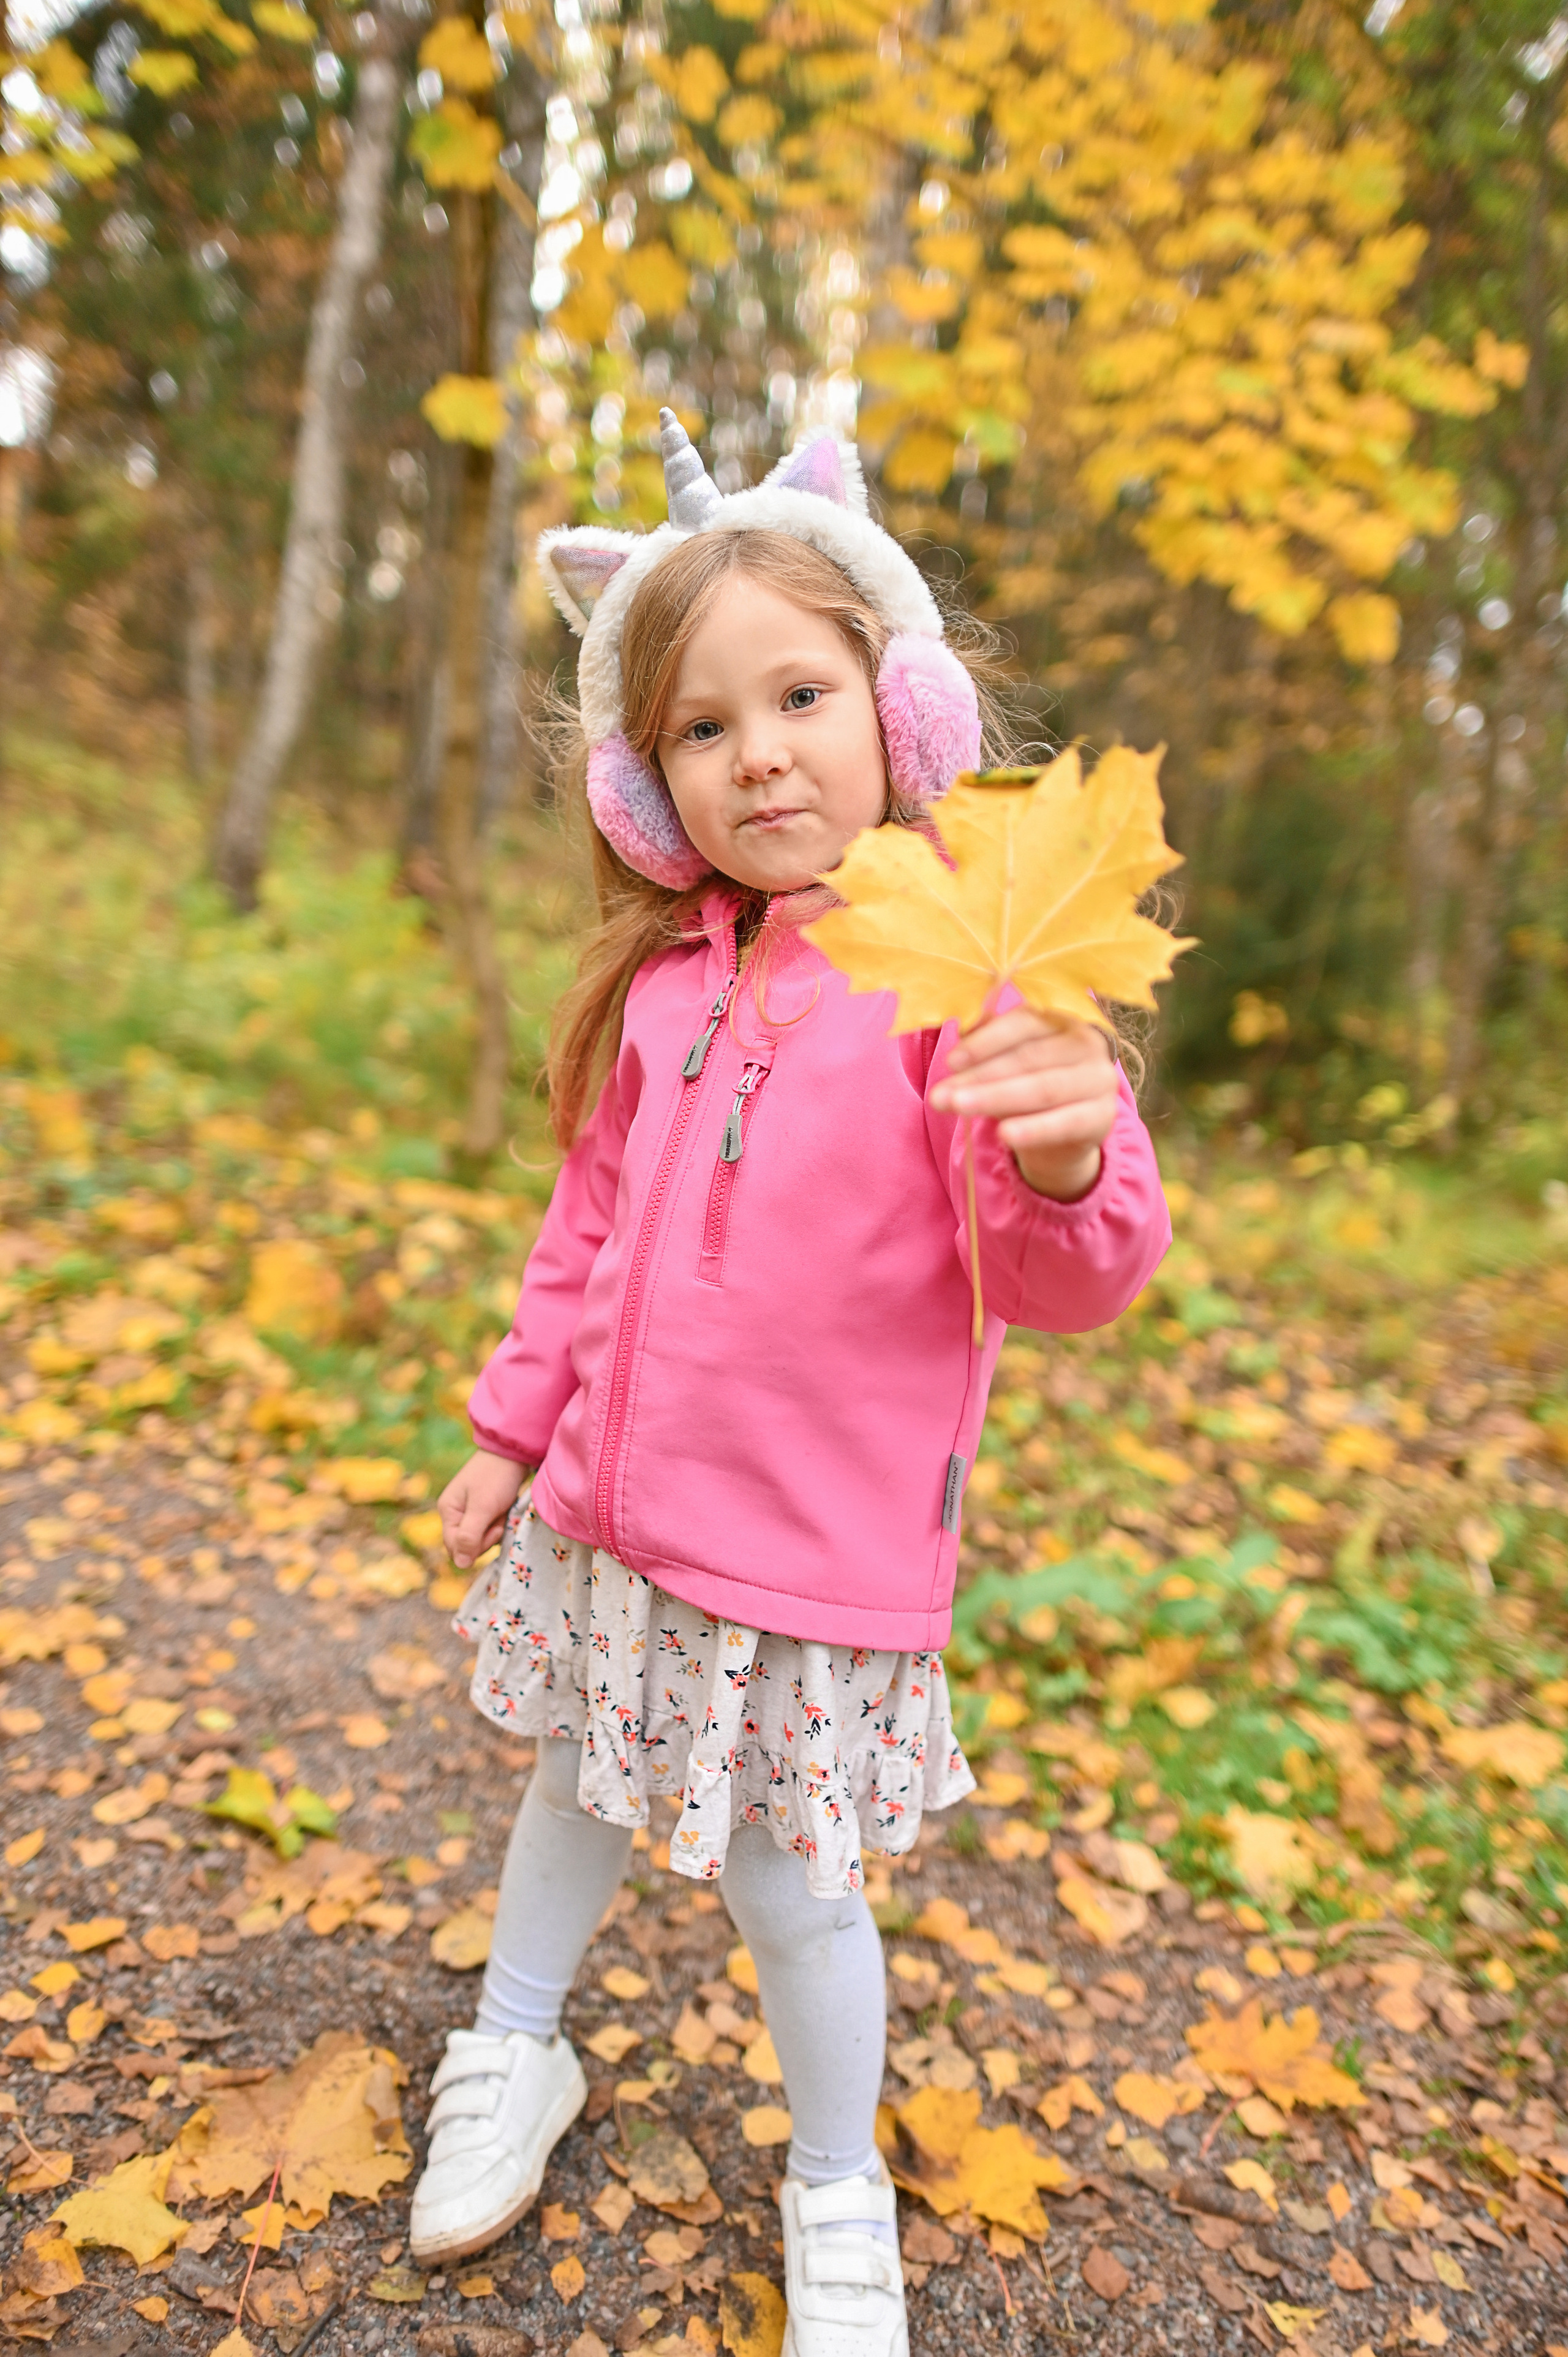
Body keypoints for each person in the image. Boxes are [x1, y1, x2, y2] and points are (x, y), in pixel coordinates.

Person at [408, 412, 1171, 2357]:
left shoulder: (964, 986)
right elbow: (585, 1232)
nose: (759, 753)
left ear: (901, 713)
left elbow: (1060, 1276)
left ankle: (836, 2184)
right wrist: (511, 1430)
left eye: (802, 697)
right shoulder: (668, 984)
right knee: (570, 1785)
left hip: (811, 1564)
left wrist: (1069, 1157)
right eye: (702, 726)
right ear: (646, 784)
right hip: (612, 1523)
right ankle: (515, 2044)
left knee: (791, 1888)